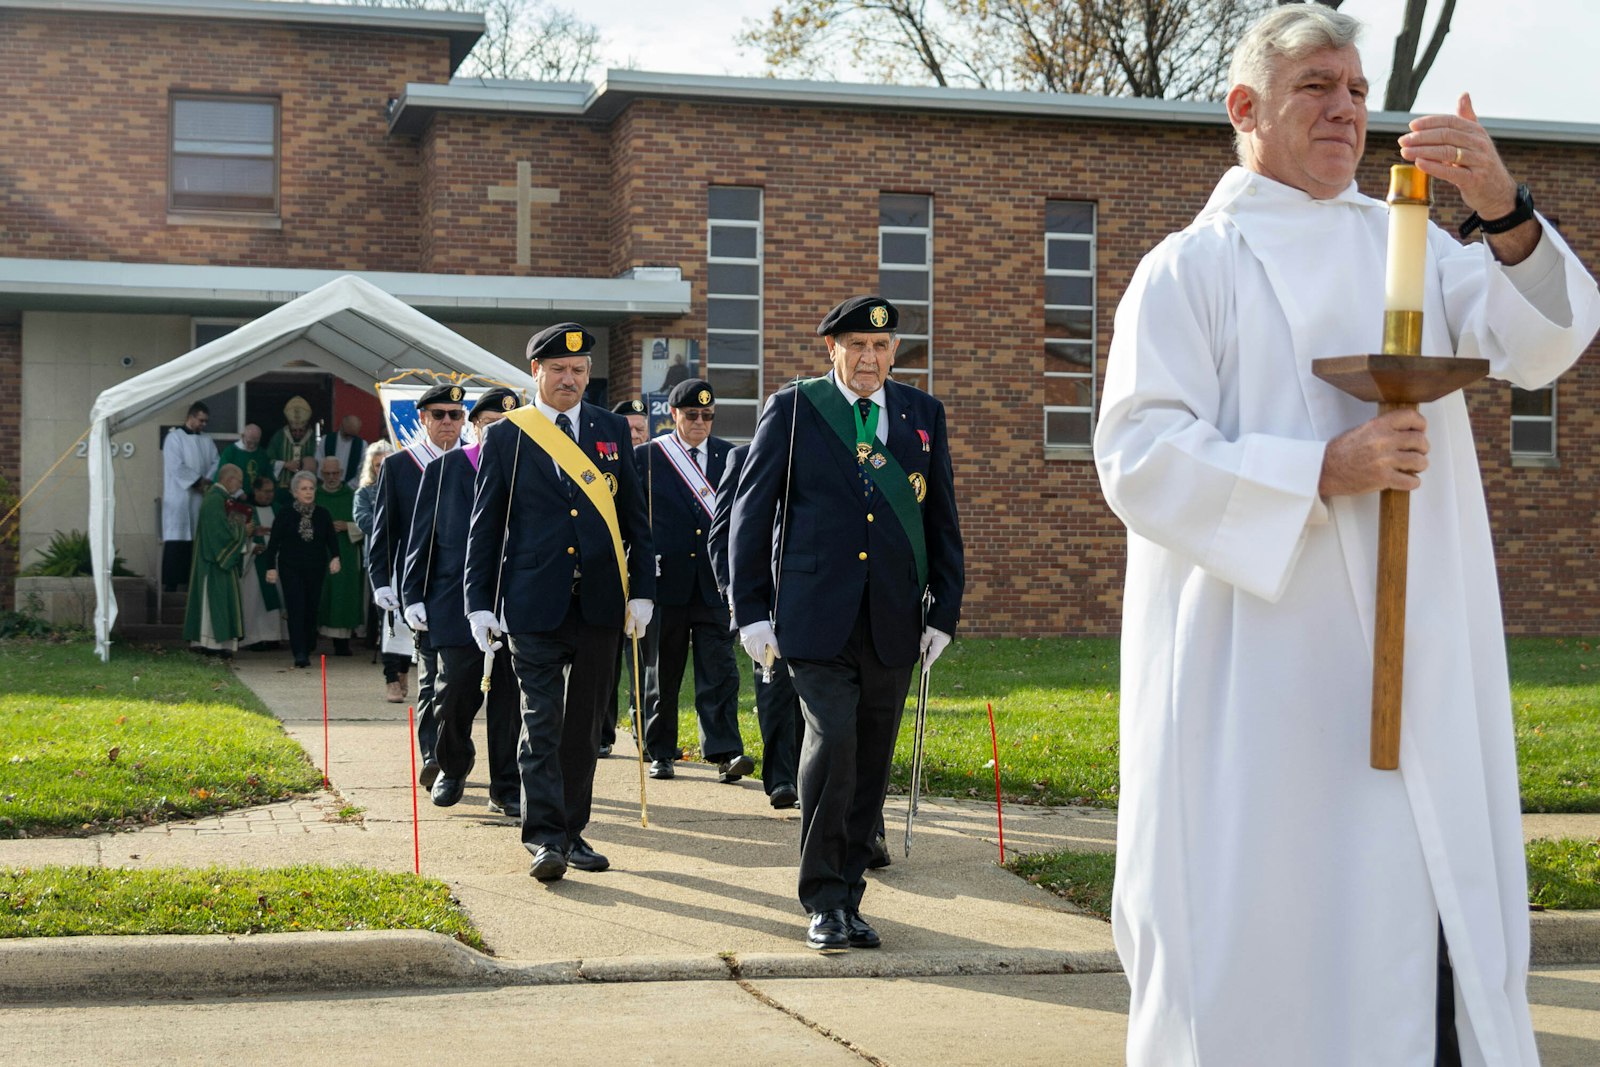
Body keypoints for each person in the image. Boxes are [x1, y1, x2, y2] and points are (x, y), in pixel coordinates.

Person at [1092, 8, 1600, 1065]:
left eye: (1357, 91)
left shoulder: (1406, 245)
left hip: (1421, 660)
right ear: (1245, 108)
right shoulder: (1191, 269)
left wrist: (1501, 205)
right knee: (1276, 936)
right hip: (1264, 675)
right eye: (1315, 85)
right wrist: (1321, 469)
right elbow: (1137, 455)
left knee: (1431, 923)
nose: (1344, 109)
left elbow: (1549, 338)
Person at [730, 296, 964, 952]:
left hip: (894, 621)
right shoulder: (797, 408)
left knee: (869, 761)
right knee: (833, 744)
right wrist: (751, 611)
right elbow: (751, 516)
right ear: (830, 348)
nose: (870, 358)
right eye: (857, 345)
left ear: (895, 352)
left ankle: (851, 894)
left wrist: (943, 611)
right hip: (815, 619)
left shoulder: (923, 415)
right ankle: (824, 897)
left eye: (882, 347)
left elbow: (942, 519)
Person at [464, 322, 655, 883]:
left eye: (578, 370)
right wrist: (479, 602)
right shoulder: (507, 435)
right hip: (533, 602)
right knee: (540, 721)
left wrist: (641, 590)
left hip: (599, 603)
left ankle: (573, 832)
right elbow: (486, 528)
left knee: (585, 728)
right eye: (558, 370)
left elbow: (634, 520)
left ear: (588, 375)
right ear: (536, 373)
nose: (569, 379)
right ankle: (544, 837)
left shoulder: (611, 429)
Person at [402, 387, 524, 819]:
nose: (498, 434)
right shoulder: (448, 467)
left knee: (509, 702)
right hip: (454, 600)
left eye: (508, 426)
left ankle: (506, 786)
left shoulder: (526, 467)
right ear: (474, 427)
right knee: (453, 692)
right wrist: (412, 594)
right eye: (491, 426)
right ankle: (452, 766)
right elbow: (422, 536)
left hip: (511, 602)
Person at [634, 378, 748, 784]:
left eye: (707, 415)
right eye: (692, 414)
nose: (701, 421)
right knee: (662, 673)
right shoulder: (647, 456)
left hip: (714, 582)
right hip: (666, 581)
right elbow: (633, 519)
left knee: (719, 672)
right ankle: (660, 751)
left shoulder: (730, 455)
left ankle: (724, 751)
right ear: (674, 415)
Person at [368, 382, 466, 780]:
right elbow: (383, 531)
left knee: (458, 680)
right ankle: (434, 756)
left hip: (467, 584)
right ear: (422, 418)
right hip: (419, 586)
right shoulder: (400, 465)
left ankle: (453, 749)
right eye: (439, 415)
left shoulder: (477, 462)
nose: (447, 422)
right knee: (430, 673)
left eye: (456, 415)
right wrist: (381, 582)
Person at [709, 439, 800, 810]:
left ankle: (806, 774)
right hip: (765, 598)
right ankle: (781, 780)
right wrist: (735, 594)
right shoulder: (744, 457)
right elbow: (723, 532)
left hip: (813, 595)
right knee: (774, 691)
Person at [599, 398, 652, 758]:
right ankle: (603, 733)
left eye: (641, 429)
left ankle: (645, 733)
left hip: (644, 571)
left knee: (642, 660)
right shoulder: (602, 459)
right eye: (629, 429)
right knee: (605, 662)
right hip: (605, 569)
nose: (636, 435)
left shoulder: (655, 462)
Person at [263, 470, 341, 669]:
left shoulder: (322, 513)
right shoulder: (285, 513)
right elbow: (274, 543)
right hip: (291, 568)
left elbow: (331, 539)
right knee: (296, 607)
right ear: (295, 492)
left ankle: (308, 644)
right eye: (304, 489)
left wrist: (335, 557)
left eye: (311, 488)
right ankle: (299, 652)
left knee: (311, 608)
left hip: (315, 567)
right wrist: (270, 567)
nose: (308, 492)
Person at [182, 462, 251, 657]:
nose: (240, 486)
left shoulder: (220, 498)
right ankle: (212, 644)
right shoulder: (214, 500)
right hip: (213, 564)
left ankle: (219, 645)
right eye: (240, 481)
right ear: (229, 480)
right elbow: (219, 535)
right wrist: (243, 531)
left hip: (216, 562)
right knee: (215, 603)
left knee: (221, 602)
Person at [354, 439, 405, 699]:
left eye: (386, 464)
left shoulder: (406, 487)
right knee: (387, 621)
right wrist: (390, 521)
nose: (381, 469)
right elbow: (364, 521)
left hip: (406, 561)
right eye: (377, 465)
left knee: (407, 619)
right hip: (380, 563)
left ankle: (404, 668)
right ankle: (391, 677)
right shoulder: (365, 493)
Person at [161, 401, 219, 592]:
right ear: (191, 417)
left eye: (206, 421)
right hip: (179, 497)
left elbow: (215, 462)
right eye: (201, 420)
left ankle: (191, 582)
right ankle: (171, 584)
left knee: (195, 540)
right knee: (177, 540)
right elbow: (175, 466)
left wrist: (207, 481)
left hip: (199, 498)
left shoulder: (206, 440)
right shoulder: (174, 439)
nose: (203, 424)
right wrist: (197, 482)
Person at [314, 455, 365, 656]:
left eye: (335, 473)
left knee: (343, 595)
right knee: (321, 594)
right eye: (327, 473)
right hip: (320, 552)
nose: (332, 477)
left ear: (342, 473)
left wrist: (347, 526)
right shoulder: (315, 494)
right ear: (321, 473)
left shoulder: (352, 496)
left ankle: (342, 642)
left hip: (346, 552)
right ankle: (313, 639)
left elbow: (365, 523)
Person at [239, 474, 284, 650]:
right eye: (265, 492)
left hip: (275, 562)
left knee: (276, 598)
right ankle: (254, 638)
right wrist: (251, 546)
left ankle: (273, 636)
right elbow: (237, 535)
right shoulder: (245, 511)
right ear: (256, 491)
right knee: (254, 601)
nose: (269, 495)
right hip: (253, 563)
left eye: (272, 492)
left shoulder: (279, 509)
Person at [267, 396, 319, 490]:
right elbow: (268, 460)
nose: (297, 433)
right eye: (294, 430)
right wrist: (285, 464)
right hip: (282, 487)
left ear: (306, 427)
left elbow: (319, 461)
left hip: (305, 488)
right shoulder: (279, 436)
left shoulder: (313, 439)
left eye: (301, 430)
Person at [216, 423, 269, 491]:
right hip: (235, 495)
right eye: (249, 442)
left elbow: (267, 476)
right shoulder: (231, 452)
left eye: (255, 443)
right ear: (243, 436)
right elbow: (223, 476)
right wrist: (238, 493)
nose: (252, 445)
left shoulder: (262, 454)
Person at [320, 414, 366, 489]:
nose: (350, 437)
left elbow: (362, 470)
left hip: (349, 489)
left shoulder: (362, 445)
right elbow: (319, 463)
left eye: (353, 435)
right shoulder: (326, 440)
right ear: (341, 426)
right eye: (347, 434)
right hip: (327, 486)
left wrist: (347, 487)